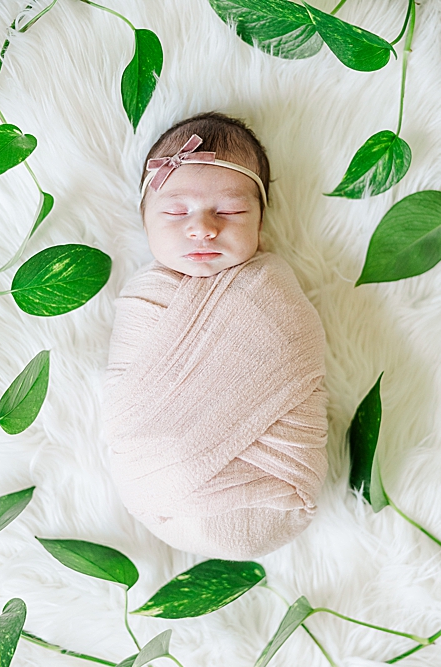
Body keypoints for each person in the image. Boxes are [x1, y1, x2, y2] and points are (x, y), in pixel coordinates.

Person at [104, 112, 328, 560]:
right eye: (175, 211)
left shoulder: (271, 290)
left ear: (260, 223)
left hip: (280, 485)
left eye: (230, 210)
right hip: (161, 490)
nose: (204, 226)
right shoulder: (146, 297)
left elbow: (297, 354)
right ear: (145, 219)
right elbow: (127, 399)